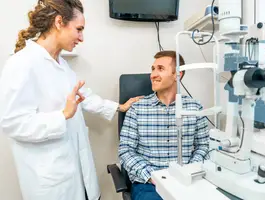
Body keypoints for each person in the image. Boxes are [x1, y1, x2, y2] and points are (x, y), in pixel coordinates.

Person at [0, 1, 142, 200]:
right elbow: (13, 123)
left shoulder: (61, 65)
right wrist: (62, 116)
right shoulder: (22, 63)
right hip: (50, 182)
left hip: (76, 173)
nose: (81, 38)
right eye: (79, 29)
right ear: (59, 22)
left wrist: (120, 107)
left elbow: (85, 98)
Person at [118, 50, 209, 200]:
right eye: (153, 69)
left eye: (160, 69)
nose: (153, 75)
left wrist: (190, 171)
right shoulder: (137, 109)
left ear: (177, 75)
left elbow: (204, 146)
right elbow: (125, 151)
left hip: (188, 180)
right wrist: (152, 177)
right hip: (149, 184)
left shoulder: (195, 108)